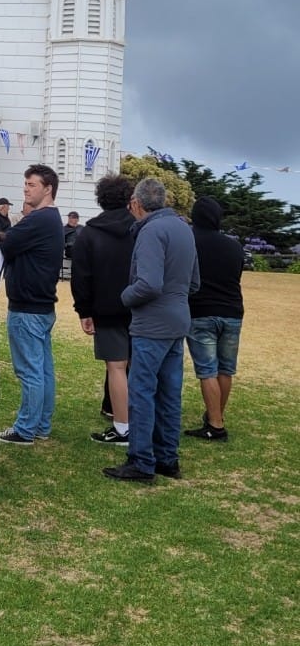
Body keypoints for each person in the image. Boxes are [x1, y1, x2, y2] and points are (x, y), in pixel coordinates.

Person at [104, 178, 199, 483]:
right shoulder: (183, 228)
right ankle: (167, 458)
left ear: (136, 203)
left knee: (142, 393)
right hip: (177, 320)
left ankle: (142, 461)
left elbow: (148, 284)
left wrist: (124, 297)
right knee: (170, 393)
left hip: (152, 324)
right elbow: (194, 283)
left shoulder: (151, 231)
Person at [0, 164, 64, 445]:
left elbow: (7, 243)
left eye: (32, 184)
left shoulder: (40, 219)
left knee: (30, 370)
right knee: (42, 368)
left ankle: (26, 429)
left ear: (48, 189)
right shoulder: (49, 219)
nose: (26, 189)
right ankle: (40, 424)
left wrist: (1, 236)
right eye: (26, 184)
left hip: (28, 308)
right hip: (40, 306)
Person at [71, 175, 136, 446]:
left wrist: (84, 310)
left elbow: (81, 276)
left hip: (107, 308)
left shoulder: (89, 233)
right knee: (138, 366)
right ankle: (135, 423)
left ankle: (122, 427)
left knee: (116, 367)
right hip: (139, 306)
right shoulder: (141, 229)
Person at [184, 196, 244, 442]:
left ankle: (216, 424)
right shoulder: (234, 246)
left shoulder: (190, 242)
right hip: (232, 311)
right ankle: (215, 416)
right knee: (225, 369)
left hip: (201, 311)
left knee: (207, 370)